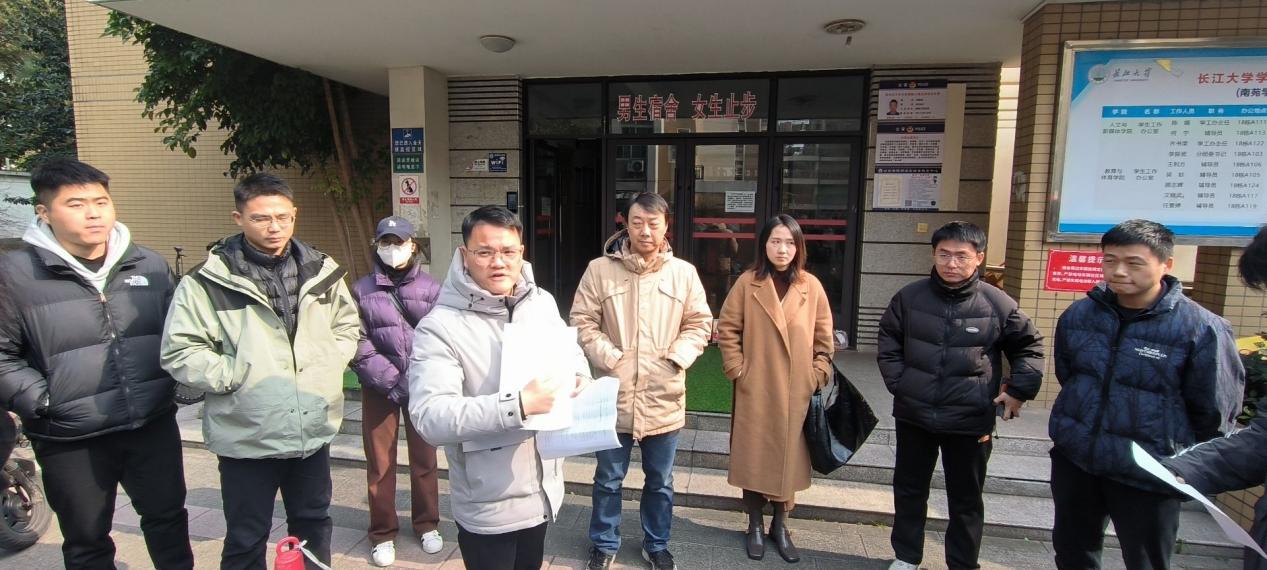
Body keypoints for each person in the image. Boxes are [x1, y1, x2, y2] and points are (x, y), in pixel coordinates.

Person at [0, 158, 194, 569]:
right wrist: (47, 401)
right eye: (76, 204)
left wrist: (178, 382)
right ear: (44, 212)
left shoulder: (148, 265)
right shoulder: (14, 275)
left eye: (101, 201)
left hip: (151, 424)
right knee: (87, 540)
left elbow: (178, 335)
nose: (93, 213)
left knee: (168, 521)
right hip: (70, 436)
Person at [160, 173, 360, 569]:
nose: (274, 227)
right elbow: (181, 350)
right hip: (247, 432)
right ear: (238, 218)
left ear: (294, 214)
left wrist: (328, 362)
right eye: (261, 218)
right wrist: (237, 374)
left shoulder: (321, 269)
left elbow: (347, 325)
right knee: (246, 535)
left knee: (313, 526)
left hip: (310, 429)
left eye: (283, 217)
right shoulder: (208, 280)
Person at [1049, 219, 1243, 570]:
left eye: (1133, 262)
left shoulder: (1201, 328)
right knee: (1073, 554)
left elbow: (1214, 411)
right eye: (1110, 260)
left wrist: (1182, 461)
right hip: (1078, 461)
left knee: (1146, 562)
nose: (1119, 271)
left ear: (1166, 264)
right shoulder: (1080, 314)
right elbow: (1071, 375)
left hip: (1150, 471)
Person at [408, 205, 590, 570]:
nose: (498, 262)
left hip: (541, 492)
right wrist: (517, 405)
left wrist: (580, 376)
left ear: (521, 252)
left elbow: (572, 354)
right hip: (487, 504)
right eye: (485, 252)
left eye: (508, 251)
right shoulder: (440, 326)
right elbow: (430, 417)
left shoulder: (541, 302)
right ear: (465, 255)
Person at [877, 221, 1044, 570]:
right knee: (909, 490)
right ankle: (906, 556)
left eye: (961, 256)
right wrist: (901, 383)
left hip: (970, 419)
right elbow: (889, 341)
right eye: (944, 254)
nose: (951, 263)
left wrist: (1018, 390)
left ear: (979, 257)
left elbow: (1029, 347)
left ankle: (963, 563)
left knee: (966, 498)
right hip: (915, 414)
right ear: (934, 254)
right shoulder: (909, 298)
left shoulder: (997, 303)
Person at [571, 192, 712, 570]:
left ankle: (657, 544)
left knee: (660, 481)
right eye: (637, 223)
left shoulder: (683, 273)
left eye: (653, 223)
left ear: (666, 226)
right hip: (613, 394)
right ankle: (604, 543)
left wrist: (676, 358)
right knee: (608, 478)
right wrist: (609, 357)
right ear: (625, 224)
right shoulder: (599, 270)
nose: (645, 231)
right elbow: (582, 320)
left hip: (664, 394)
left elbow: (700, 324)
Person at [716, 215, 834, 563]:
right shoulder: (747, 282)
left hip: (797, 389)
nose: (782, 249)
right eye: (775, 241)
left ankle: (781, 525)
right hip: (756, 386)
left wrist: (817, 373)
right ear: (764, 245)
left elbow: (824, 338)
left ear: (799, 247)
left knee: (790, 459)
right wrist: (738, 369)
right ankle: (754, 523)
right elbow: (728, 328)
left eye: (789, 242)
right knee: (753, 455)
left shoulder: (811, 286)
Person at [350, 215, 443, 567]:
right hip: (378, 387)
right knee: (380, 463)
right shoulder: (361, 290)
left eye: (398, 242)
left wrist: (417, 378)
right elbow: (356, 342)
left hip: (421, 386)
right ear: (377, 246)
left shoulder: (432, 289)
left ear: (412, 245)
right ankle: (382, 533)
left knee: (425, 460)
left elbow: (441, 340)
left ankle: (427, 525)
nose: (392, 248)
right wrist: (391, 380)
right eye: (385, 242)